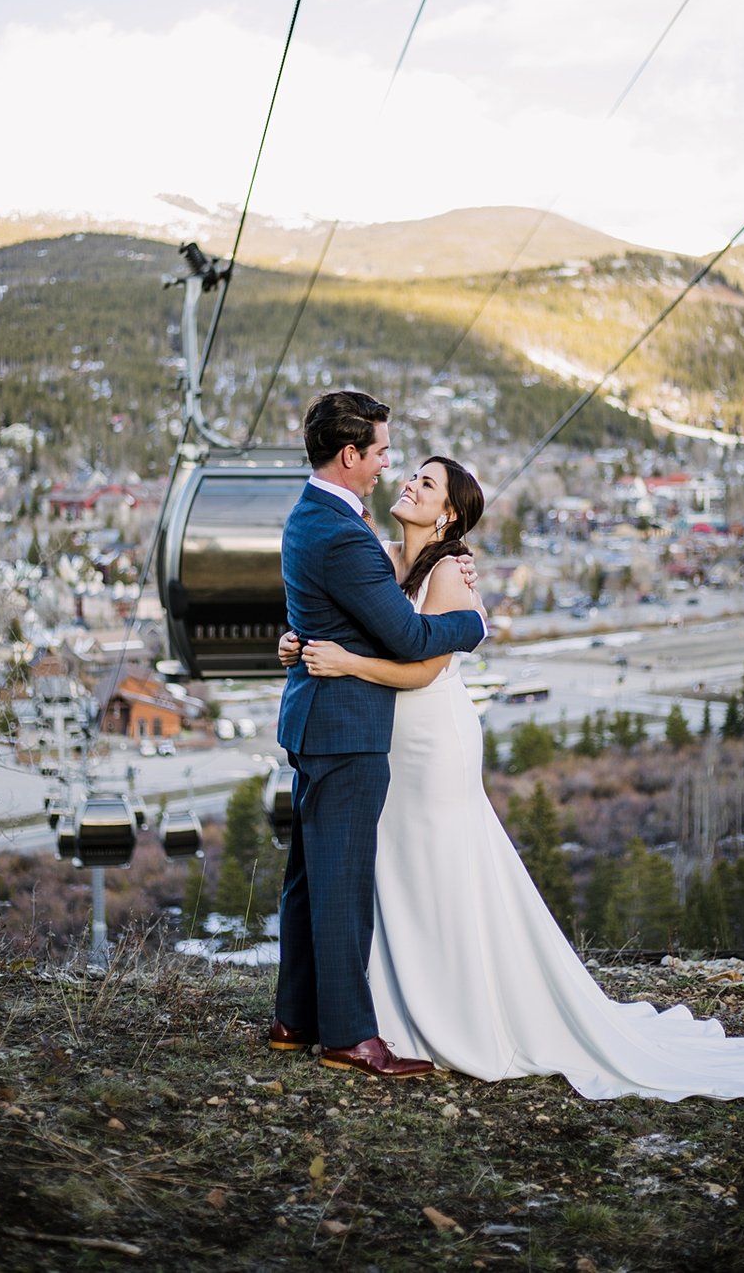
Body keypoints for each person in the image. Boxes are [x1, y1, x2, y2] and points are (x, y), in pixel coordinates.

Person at [284, 455, 744, 1102]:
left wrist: (342, 662)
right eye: (413, 476)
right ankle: (402, 1010)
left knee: (441, 869)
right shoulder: (391, 564)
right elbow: (360, 624)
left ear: (449, 513)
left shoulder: (450, 572)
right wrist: (305, 645)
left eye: (426, 483)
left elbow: (423, 671)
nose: (409, 484)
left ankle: (458, 1014)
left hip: (431, 740)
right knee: (399, 873)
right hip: (391, 741)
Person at [271, 391, 487, 1081]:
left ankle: (295, 1018)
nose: (390, 466)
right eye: (384, 454)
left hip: (321, 718)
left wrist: (305, 638)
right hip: (347, 724)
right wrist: (473, 626)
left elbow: (339, 605)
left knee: (309, 878)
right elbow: (409, 636)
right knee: (339, 883)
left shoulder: (320, 517)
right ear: (349, 456)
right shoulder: (342, 532)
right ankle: (348, 1037)